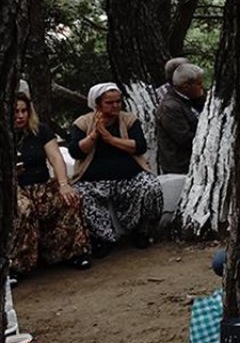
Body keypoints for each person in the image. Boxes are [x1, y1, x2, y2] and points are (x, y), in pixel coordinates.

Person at [66, 83, 163, 256]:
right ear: (97, 104)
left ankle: (142, 231)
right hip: (93, 180)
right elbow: (76, 151)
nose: (116, 106)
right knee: (81, 194)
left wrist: (111, 139)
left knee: (151, 186)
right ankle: (104, 239)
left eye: (118, 101)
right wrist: (95, 135)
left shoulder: (129, 120)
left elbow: (139, 146)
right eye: (109, 103)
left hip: (129, 177)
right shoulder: (82, 123)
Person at [12, 93, 92, 277]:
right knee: (22, 208)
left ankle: (72, 253)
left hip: (40, 184)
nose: (20, 115)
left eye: (24, 111)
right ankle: (18, 266)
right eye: (15, 111)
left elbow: (56, 157)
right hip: (14, 190)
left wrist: (63, 184)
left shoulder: (40, 131)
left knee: (68, 198)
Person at [156, 62, 206, 175]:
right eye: (199, 84)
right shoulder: (170, 107)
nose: (202, 87)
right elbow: (185, 139)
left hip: (194, 163)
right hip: (180, 168)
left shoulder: (191, 99)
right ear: (186, 87)